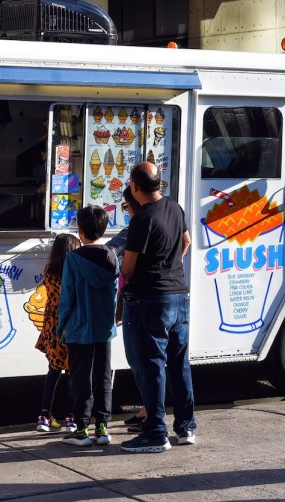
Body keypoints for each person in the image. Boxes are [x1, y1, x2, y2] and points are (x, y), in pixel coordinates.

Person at [120, 161, 196, 454]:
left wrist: (146, 272)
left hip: (149, 299)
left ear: (135, 187)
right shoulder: (174, 207)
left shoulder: (142, 219)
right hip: (179, 295)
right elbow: (186, 241)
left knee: (152, 366)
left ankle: (155, 433)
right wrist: (170, 265)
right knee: (179, 364)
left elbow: (128, 267)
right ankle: (186, 426)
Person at [57, 205, 119, 447]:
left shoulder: (73, 259)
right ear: (103, 229)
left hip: (79, 328)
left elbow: (67, 296)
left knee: (80, 378)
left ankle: (81, 430)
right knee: (103, 376)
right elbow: (115, 293)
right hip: (104, 327)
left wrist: (61, 326)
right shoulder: (112, 256)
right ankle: (103, 428)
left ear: (79, 230)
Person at [105, 186, 147, 431]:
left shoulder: (133, 231)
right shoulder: (168, 217)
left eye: (126, 206)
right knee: (149, 359)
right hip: (159, 297)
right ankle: (148, 411)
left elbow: (111, 256)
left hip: (137, 300)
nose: (126, 211)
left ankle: (150, 415)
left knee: (140, 358)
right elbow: (186, 242)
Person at [34, 232, 81, 433]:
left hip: (52, 324)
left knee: (53, 371)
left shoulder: (49, 270)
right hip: (70, 324)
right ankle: (71, 418)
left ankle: (44, 416)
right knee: (72, 373)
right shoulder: (75, 272)